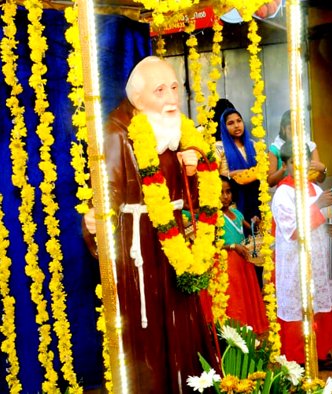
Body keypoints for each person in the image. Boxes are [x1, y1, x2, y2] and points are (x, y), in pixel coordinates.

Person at [83, 56, 218, 393]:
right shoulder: (117, 132)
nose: (171, 98)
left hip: (178, 246)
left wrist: (196, 163)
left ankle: (193, 383)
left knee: (184, 318)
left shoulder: (180, 129)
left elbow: (202, 192)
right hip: (140, 247)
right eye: (160, 90)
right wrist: (94, 221)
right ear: (138, 99)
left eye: (175, 87)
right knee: (150, 331)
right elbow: (107, 195)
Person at [271, 141, 332, 371]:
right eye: (295, 162)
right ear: (285, 165)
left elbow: (325, 220)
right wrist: (318, 206)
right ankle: (298, 362)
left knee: (322, 306)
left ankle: (322, 354)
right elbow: (293, 230)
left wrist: (331, 229)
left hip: (320, 261)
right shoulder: (283, 193)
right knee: (298, 310)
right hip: (297, 263)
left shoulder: (314, 188)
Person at [218, 176, 268, 333]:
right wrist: (232, 246)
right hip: (229, 267)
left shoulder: (236, 213)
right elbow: (211, 244)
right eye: (221, 192)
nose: (226, 196)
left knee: (247, 300)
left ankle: (251, 334)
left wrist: (256, 223)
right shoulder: (212, 218)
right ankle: (237, 336)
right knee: (236, 301)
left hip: (244, 263)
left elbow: (250, 229)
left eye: (228, 192)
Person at [218, 107, 262, 227]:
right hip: (232, 200)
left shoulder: (253, 145)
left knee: (258, 236)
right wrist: (231, 174)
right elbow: (212, 177)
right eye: (230, 123)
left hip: (254, 198)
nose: (236, 126)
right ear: (224, 127)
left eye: (239, 121)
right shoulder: (219, 147)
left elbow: (262, 170)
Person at [267, 110, 327, 187]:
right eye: (291, 129)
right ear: (283, 129)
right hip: (286, 192)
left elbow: (320, 179)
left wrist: (323, 169)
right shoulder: (275, 149)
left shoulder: (310, 146)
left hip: (308, 191)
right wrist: (284, 168)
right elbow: (269, 183)